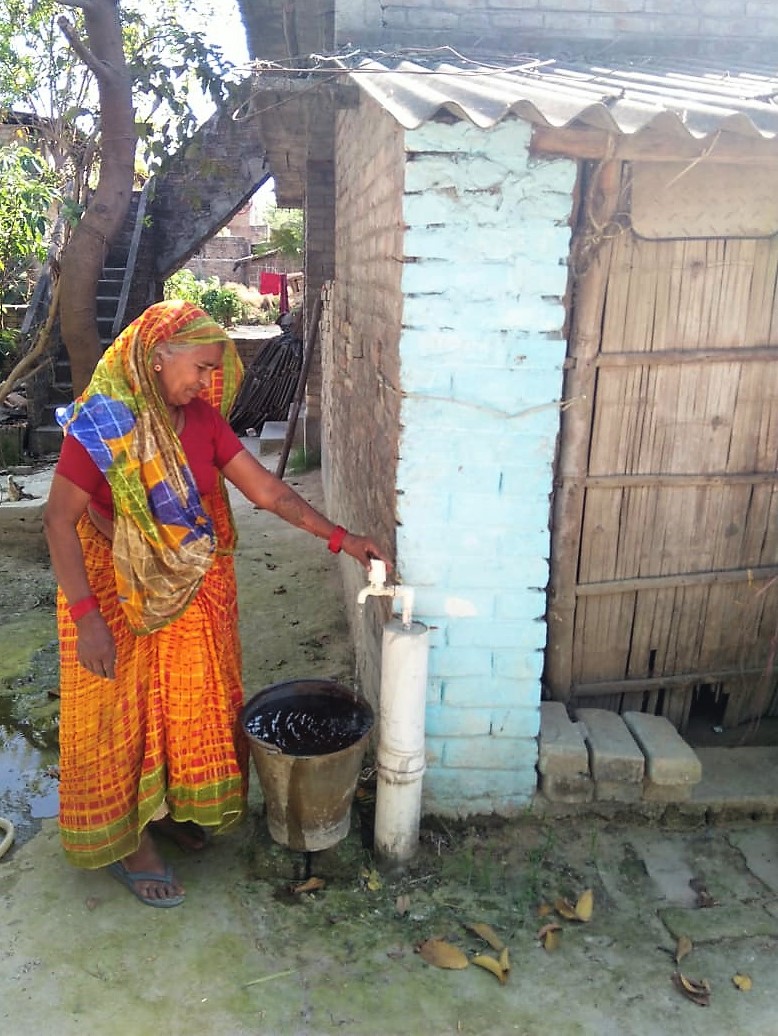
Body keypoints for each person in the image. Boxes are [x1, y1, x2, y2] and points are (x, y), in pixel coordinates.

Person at [43, 299, 391, 909]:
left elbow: (267, 492)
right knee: (119, 715)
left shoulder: (202, 421)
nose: (208, 382)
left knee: (186, 705)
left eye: (211, 371)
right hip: (112, 596)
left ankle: (169, 807)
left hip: (193, 594)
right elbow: (58, 521)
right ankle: (131, 840)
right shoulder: (102, 425)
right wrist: (87, 619)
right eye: (200, 368)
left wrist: (343, 539)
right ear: (157, 359)